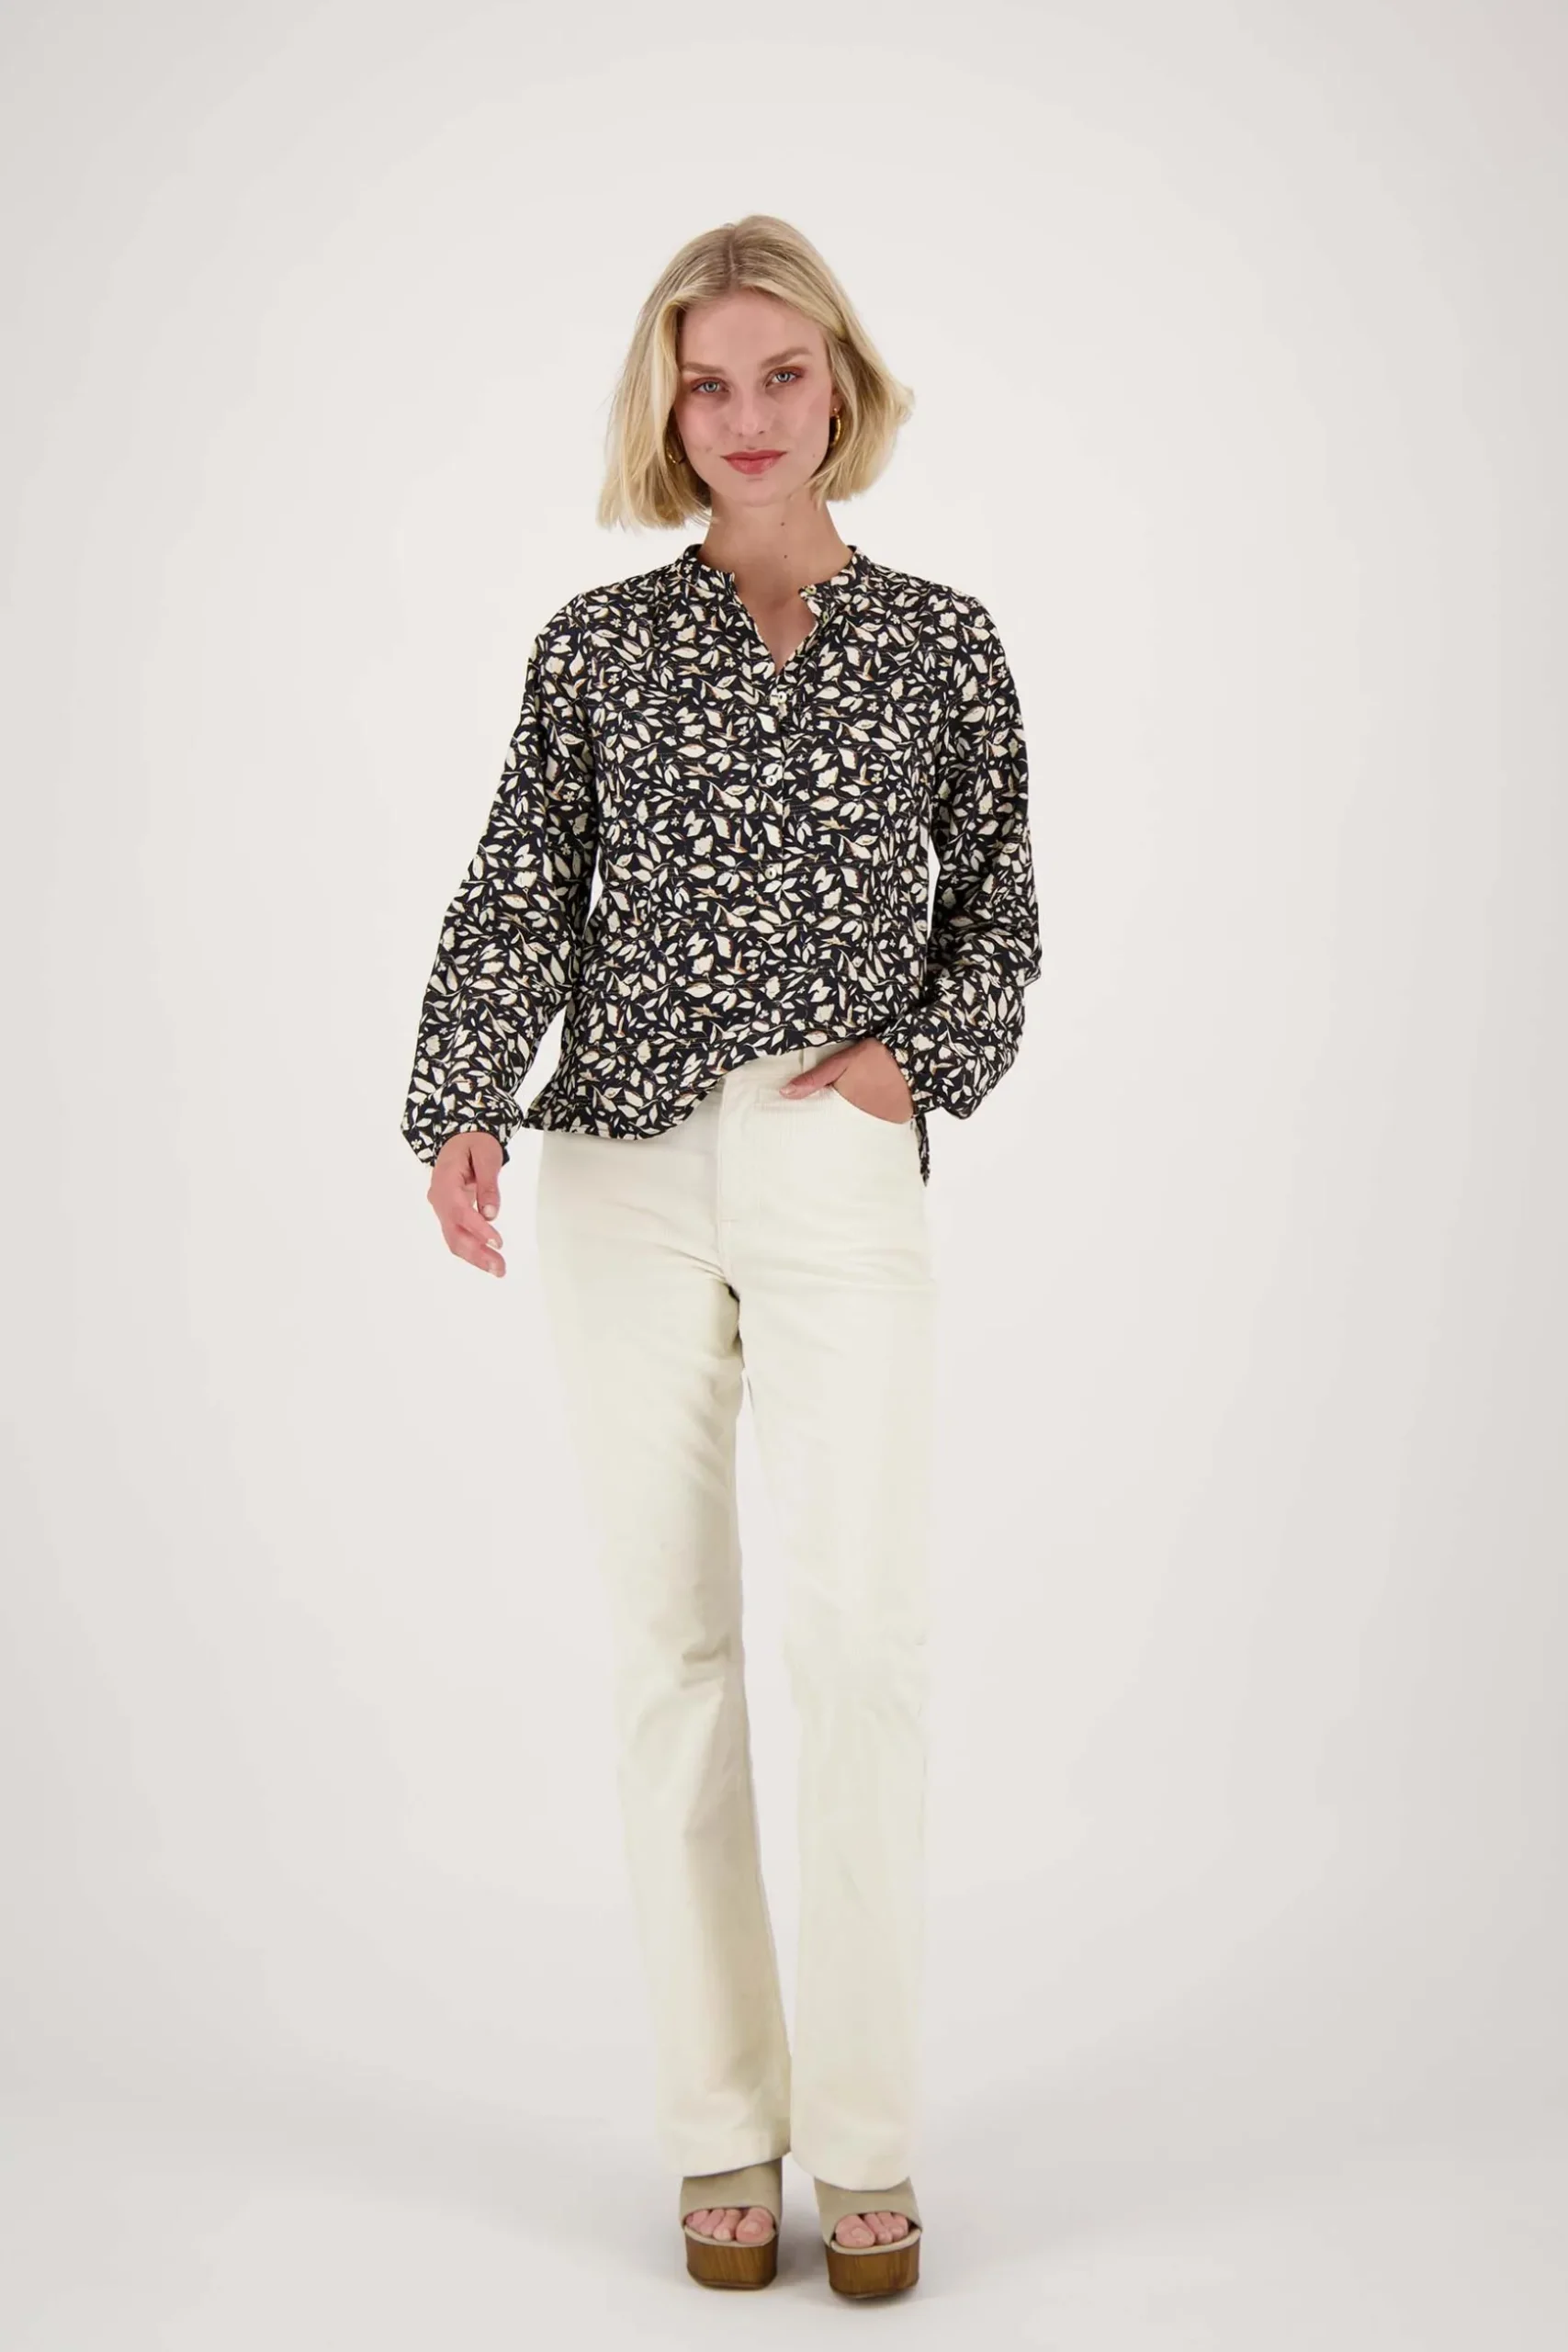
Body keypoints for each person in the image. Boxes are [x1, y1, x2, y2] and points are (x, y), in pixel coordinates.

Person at [399, 213, 1042, 2298]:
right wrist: (459, 1096)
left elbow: (1000, 906)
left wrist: (914, 1064)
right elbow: (520, 879)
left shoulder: (941, 642)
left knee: (860, 1646)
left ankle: (865, 2141)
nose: (747, 415)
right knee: (671, 1654)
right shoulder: (598, 644)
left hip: (833, 1161)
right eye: (707, 382)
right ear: (664, 409)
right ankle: (717, 2130)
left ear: (838, 381)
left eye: (780, 372)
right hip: (620, 1172)